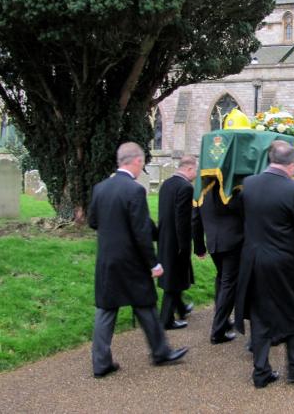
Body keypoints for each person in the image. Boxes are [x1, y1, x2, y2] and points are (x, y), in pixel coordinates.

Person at [88, 142, 188, 378]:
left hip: (107, 261)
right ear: (135, 161)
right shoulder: (134, 190)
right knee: (145, 305)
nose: (141, 167)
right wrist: (154, 263)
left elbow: (93, 221)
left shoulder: (100, 188)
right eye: (142, 163)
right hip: (131, 262)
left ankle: (101, 363)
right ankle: (160, 352)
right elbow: (141, 232)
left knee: (106, 310)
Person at [234, 141, 294, 388]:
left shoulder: (249, 184)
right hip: (284, 261)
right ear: (291, 165)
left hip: (253, 259)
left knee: (259, 315)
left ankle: (261, 372)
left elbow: (242, 218)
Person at [192, 179, 243, 344]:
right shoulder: (230, 188)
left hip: (214, 243)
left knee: (222, 280)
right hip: (232, 242)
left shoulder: (201, 190)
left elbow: (195, 219)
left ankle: (224, 321)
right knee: (229, 284)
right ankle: (218, 330)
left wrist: (199, 247)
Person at [157, 156, 198, 330]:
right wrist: (184, 245)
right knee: (174, 280)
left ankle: (181, 308)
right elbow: (182, 219)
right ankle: (165, 320)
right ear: (188, 169)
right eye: (195, 169)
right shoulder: (186, 187)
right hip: (177, 242)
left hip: (164, 238)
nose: (196, 173)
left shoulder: (166, 184)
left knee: (175, 276)